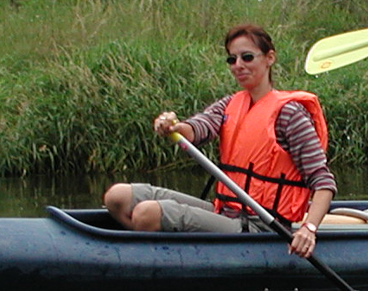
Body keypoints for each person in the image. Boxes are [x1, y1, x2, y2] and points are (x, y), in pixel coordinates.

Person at [103, 24, 336, 258]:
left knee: (147, 213)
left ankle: (149, 259)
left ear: (269, 58)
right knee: (117, 197)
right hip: (225, 212)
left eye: (247, 57)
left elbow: (323, 182)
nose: (238, 65)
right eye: (232, 59)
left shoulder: (290, 115)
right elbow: (198, 128)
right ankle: (155, 256)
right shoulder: (229, 105)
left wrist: (309, 229)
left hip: (262, 226)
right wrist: (174, 126)